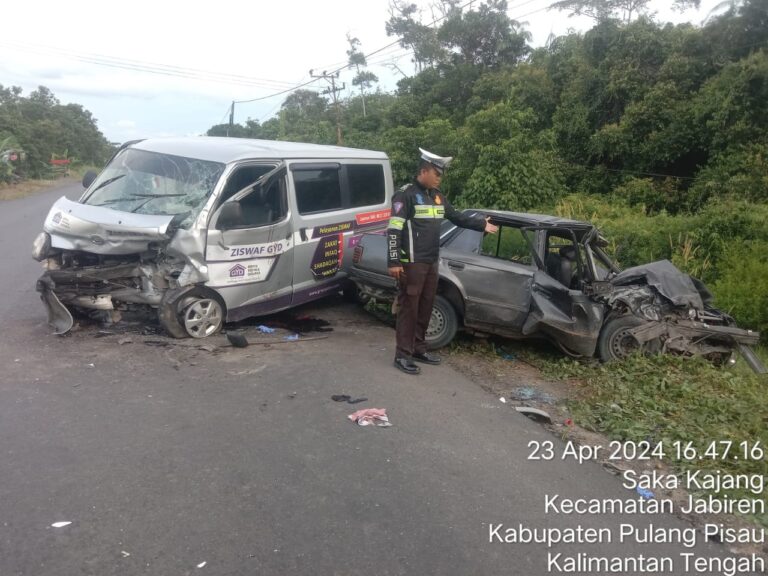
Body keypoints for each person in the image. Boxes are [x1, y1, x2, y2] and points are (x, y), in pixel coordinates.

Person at [387, 148, 498, 375]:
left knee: (426, 306)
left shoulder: (437, 196)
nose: (440, 178)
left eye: (441, 174)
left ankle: (418, 348)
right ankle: (402, 355)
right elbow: (394, 230)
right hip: (412, 263)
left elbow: (456, 216)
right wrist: (394, 261)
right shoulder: (405, 195)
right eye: (436, 173)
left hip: (431, 261)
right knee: (409, 308)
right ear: (423, 171)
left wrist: (481, 224)